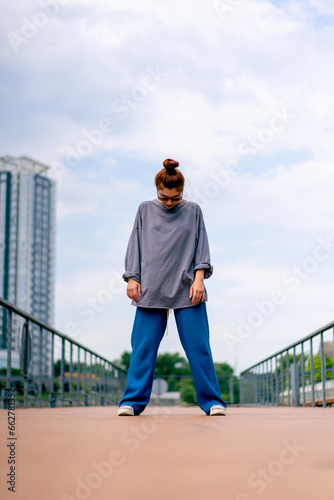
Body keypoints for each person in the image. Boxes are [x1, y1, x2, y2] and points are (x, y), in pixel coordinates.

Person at [118, 159, 226, 416]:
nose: (169, 203)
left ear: (182, 192)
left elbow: (202, 247)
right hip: (150, 288)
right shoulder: (144, 209)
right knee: (142, 348)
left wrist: (199, 279)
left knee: (199, 347)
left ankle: (212, 401)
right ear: (156, 190)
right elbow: (136, 243)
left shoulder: (194, 211)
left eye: (175, 198)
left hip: (188, 289)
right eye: (163, 197)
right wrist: (132, 277)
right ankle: (132, 402)